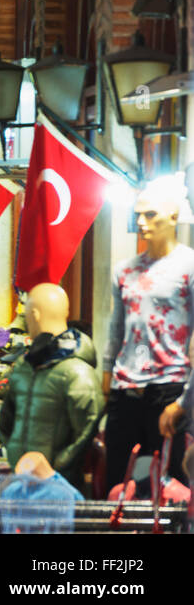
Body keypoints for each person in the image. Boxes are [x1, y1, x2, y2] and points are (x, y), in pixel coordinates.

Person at [103, 186, 194, 490]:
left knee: (170, 488)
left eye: (150, 214)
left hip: (169, 389)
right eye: (138, 214)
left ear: (174, 216)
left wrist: (185, 400)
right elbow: (117, 326)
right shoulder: (124, 270)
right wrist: (107, 373)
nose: (142, 221)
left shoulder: (188, 266)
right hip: (125, 388)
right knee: (117, 482)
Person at [0, 284, 103, 492]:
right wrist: (14, 454)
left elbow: (86, 432)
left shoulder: (77, 371)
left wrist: (54, 466)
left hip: (59, 489)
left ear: (34, 315)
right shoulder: (24, 366)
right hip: (22, 483)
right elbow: (7, 420)